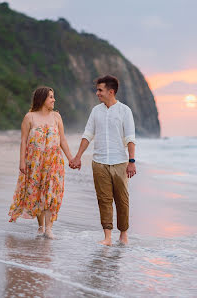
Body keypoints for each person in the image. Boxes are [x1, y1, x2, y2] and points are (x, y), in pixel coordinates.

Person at [70, 75, 137, 246]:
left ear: (111, 91)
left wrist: (132, 161)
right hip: (99, 162)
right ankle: (107, 237)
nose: (97, 93)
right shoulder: (96, 111)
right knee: (104, 200)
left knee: (122, 200)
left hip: (120, 162)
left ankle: (123, 234)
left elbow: (130, 137)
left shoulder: (124, 111)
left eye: (100, 90)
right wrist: (77, 156)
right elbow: (88, 135)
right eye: (97, 90)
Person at [8, 86, 73, 239]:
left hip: (54, 162)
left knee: (51, 193)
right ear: (42, 99)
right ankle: (40, 226)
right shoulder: (29, 117)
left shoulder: (57, 117)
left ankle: (49, 229)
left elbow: (62, 140)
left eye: (53, 96)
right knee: (38, 194)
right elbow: (23, 141)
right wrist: (22, 162)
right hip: (35, 162)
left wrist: (71, 159)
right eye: (51, 97)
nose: (54, 100)